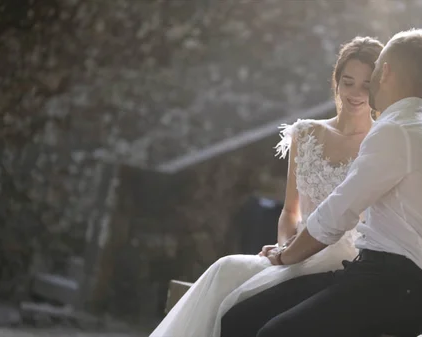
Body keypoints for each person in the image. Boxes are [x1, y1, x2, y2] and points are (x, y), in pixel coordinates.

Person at [220, 28, 422, 337]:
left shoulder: (395, 131)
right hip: (389, 283)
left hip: (390, 289)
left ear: (384, 72)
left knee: (273, 334)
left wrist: (284, 256)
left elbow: (338, 213)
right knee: (241, 318)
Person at [148, 36, 384, 337]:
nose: (355, 93)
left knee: (245, 304)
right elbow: (290, 209)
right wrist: (284, 248)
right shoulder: (305, 133)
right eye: (348, 81)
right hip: (294, 250)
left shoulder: (380, 145)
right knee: (224, 269)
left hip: (339, 262)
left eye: (366, 85)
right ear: (336, 81)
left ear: (377, 89)